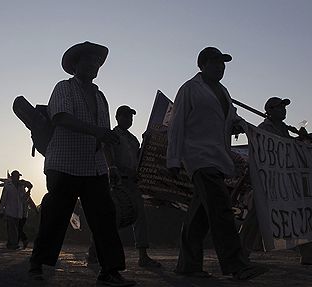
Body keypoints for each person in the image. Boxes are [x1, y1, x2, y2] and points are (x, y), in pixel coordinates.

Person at [29, 41, 135, 286]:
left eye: (97, 62)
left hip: (95, 167)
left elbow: (105, 135)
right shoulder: (64, 88)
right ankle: (37, 263)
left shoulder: (100, 97)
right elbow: (62, 118)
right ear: (75, 65)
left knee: (105, 217)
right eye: (88, 60)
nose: (93, 65)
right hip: (64, 163)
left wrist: (111, 166)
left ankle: (110, 271)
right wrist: (97, 132)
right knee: (56, 216)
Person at [166, 47, 268, 280]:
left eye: (223, 64)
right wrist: (173, 158)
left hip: (218, 158)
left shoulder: (224, 92)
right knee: (221, 209)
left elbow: (231, 120)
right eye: (215, 62)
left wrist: (245, 127)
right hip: (198, 157)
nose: (220, 67)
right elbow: (177, 124)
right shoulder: (190, 89)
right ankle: (237, 264)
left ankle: (188, 265)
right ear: (202, 64)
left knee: (199, 216)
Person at [243, 97, 312, 265]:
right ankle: (240, 254)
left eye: (284, 107)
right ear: (269, 110)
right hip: (267, 180)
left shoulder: (282, 128)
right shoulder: (263, 129)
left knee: (298, 214)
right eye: (279, 107)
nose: (283, 110)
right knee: (255, 218)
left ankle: (311, 254)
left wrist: (301, 139)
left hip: (283, 181)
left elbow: (289, 149)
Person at [87, 105, 161, 268]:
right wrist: (112, 169)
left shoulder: (133, 139)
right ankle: (93, 251)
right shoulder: (113, 135)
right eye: (126, 116)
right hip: (117, 182)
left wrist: (147, 141)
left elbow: (138, 158)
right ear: (118, 117)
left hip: (132, 183)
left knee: (140, 216)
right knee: (111, 218)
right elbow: (107, 152)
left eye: (131, 117)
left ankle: (143, 255)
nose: (129, 120)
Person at [0, 170, 27, 250]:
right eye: (16, 176)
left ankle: (11, 243)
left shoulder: (21, 187)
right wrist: (1, 210)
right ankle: (14, 244)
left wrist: (28, 193)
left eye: (18, 176)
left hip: (18, 212)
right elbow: (3, 199)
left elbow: (23, 199)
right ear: (12, 177)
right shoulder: (8, 186)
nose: (17, 178)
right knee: (12, 228)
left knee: (15, 229)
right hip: (10, 211)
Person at [18, 180, 33, 249]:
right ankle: (18, 241)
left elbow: (28, 200)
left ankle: (24, 240)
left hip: (23, 214)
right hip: (18, 212)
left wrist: (29, 190)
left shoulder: (24, 192)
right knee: (18, 228)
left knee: (19, 228)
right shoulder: (19, 190)